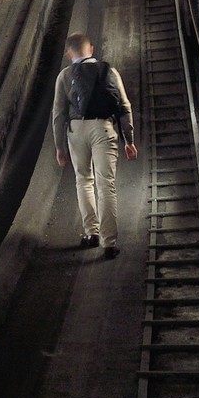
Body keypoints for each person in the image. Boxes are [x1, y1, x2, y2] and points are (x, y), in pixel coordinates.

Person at [51, 32, 137, 259]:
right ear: (91, 49)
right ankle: (109, 243)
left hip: (76, 131)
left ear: (69, 54)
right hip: (103, 128)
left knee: (83, 181)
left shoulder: (64, 76)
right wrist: (129, 140)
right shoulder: (109, 71)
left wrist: (59, 147)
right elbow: (124, 106)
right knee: (106, 184)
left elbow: (58, 114)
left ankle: (92, 233)